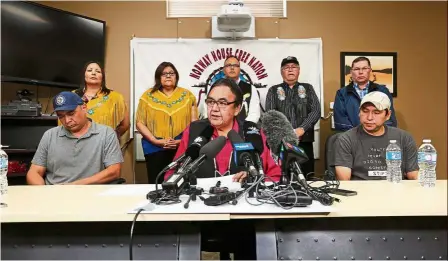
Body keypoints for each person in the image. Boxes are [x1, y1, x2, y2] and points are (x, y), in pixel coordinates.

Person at [165, 78, 281, 182]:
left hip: (243, 203)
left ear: (237, 108)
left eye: (222, 103)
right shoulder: (194, 130)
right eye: (210, 102)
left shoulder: (252, 133)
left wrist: (253, 180)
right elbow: (172, 173)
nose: (214, 109)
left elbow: (274, 175)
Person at [27, 91, 124, 185]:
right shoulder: (50, 135)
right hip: (55, 195)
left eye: (71, 113)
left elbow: (114, 171)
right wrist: (44, 192)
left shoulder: (106, 133)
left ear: (84, 108)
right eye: (61, 116)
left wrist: (75, 186)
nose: (67, 120)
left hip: (91, 195)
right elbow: (34, 173)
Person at [136, 62, 198, 184]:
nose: (168, 76)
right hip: (154, 147)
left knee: (182, 183)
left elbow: (194, 124)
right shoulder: (147, 96)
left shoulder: (188, 96)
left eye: (171, 73)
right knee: (157, 182)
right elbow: (139, 123)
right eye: (164, 74)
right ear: (158, 77)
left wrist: (181, 141)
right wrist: (156, 141)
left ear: (176, 76)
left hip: (182, 146)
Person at [334, 91, 418, 180]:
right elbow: (344, 181)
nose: (369, 117)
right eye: (365, 111)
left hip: (394, 189)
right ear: (359, 112)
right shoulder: (346, 139)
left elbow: (414, 175)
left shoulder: (404, 138)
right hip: (361, 191)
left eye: (376, 112)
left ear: (388, 115)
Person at [265, 56, 321, 177]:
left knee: (307, 176)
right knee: (285, 177)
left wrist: (302, 129)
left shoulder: (308, 88)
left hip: (304, 140)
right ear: (281, 72)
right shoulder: (273, 90)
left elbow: (316, 111)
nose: (290, 70)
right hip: (282, 143)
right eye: (286, 67)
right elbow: (271, 115)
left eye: (294, 67)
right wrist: (287, 133)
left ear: (299, 70)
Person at [334, 56, 397, 131]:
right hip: (352, 139)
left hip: (378, 138)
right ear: (351, 72)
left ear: (370, 70)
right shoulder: (342, 93)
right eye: (357, 69)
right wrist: (357, 136)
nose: (360, 72)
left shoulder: (382, 91)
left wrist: (378, 134)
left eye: (364, 68)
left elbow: (389, 120)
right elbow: (341, 122)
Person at [73, 61, 130, 137]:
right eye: (90, 70)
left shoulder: (115, 97)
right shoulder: (72, 96)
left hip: (104, 145)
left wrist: (111, 138)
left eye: (98, 71)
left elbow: (125, 124)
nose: (93, 73)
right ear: (84, 74)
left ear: (103, 76)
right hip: (76, 143)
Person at [200, 55, 261, 124]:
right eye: (228, 65)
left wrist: (243, 128)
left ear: (239, 69)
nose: (232, 68)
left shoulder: (250, 88)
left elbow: (254, 114)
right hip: (217, 128)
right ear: (223, 70)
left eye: (235, 65)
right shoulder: (214, 87)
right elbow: (206, 111)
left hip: (243, 130)